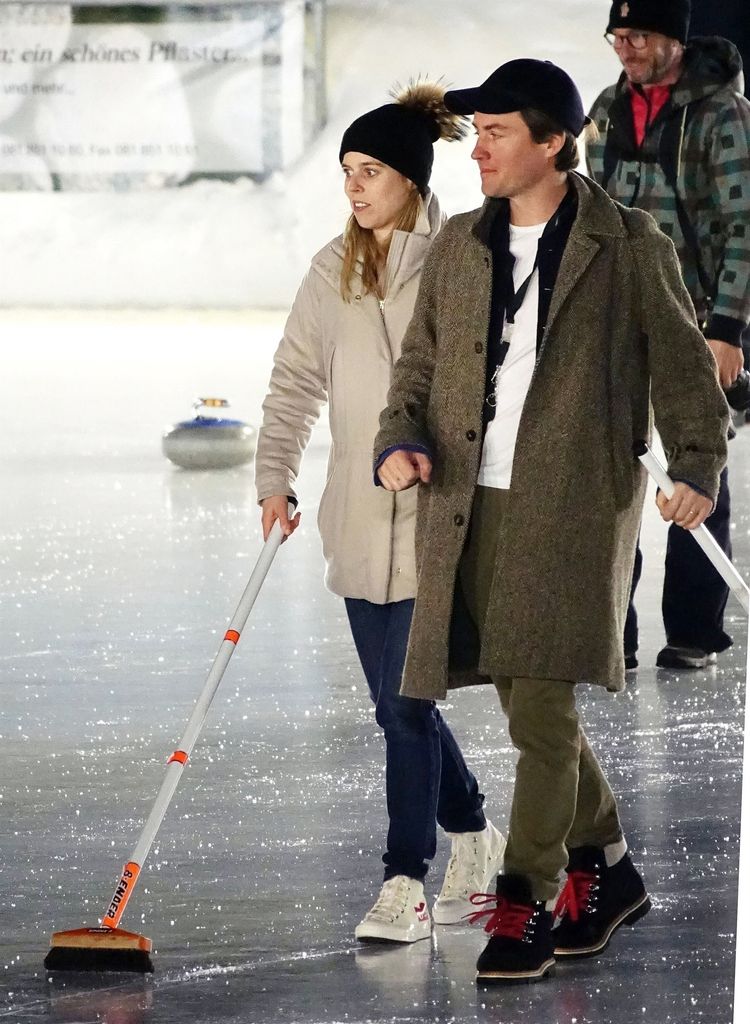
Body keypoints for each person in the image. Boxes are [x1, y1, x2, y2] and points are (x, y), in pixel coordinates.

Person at [374, 58, 728, 984]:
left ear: (552, 141)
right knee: (529, 696)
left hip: (570, 502)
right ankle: (608, 869)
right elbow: (419, 363)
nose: (479, 148)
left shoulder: (629, 243)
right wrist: (399, 435)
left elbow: (687, 367)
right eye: (477, 131)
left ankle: (527, 900)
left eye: (497, 132)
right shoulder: (461, 244)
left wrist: (698, 464)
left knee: (539, 707)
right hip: (465, 503)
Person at [254, 82, 505, 946]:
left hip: (443, 522)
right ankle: (474, 830)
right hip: (359, 521)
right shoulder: (334, 267)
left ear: (412, 178)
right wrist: (272, 478)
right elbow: (293, 384)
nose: (355, 188)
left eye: (370, 172)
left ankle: (406, 878)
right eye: (347, 173)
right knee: (400, 708)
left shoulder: (466, 259)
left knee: (404, 708)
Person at [586, 0, 750, 669]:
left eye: (640, 36)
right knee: (613, 470)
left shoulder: (724, 115)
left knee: (695, 464)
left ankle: (693, 629)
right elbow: (591, 215)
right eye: (617, 36)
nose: (626, 49)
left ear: (675, 40)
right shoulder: (605, 108)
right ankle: (606, 635)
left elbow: (746, 225)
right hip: (625, 318)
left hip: (700, 319)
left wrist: (728, 328)